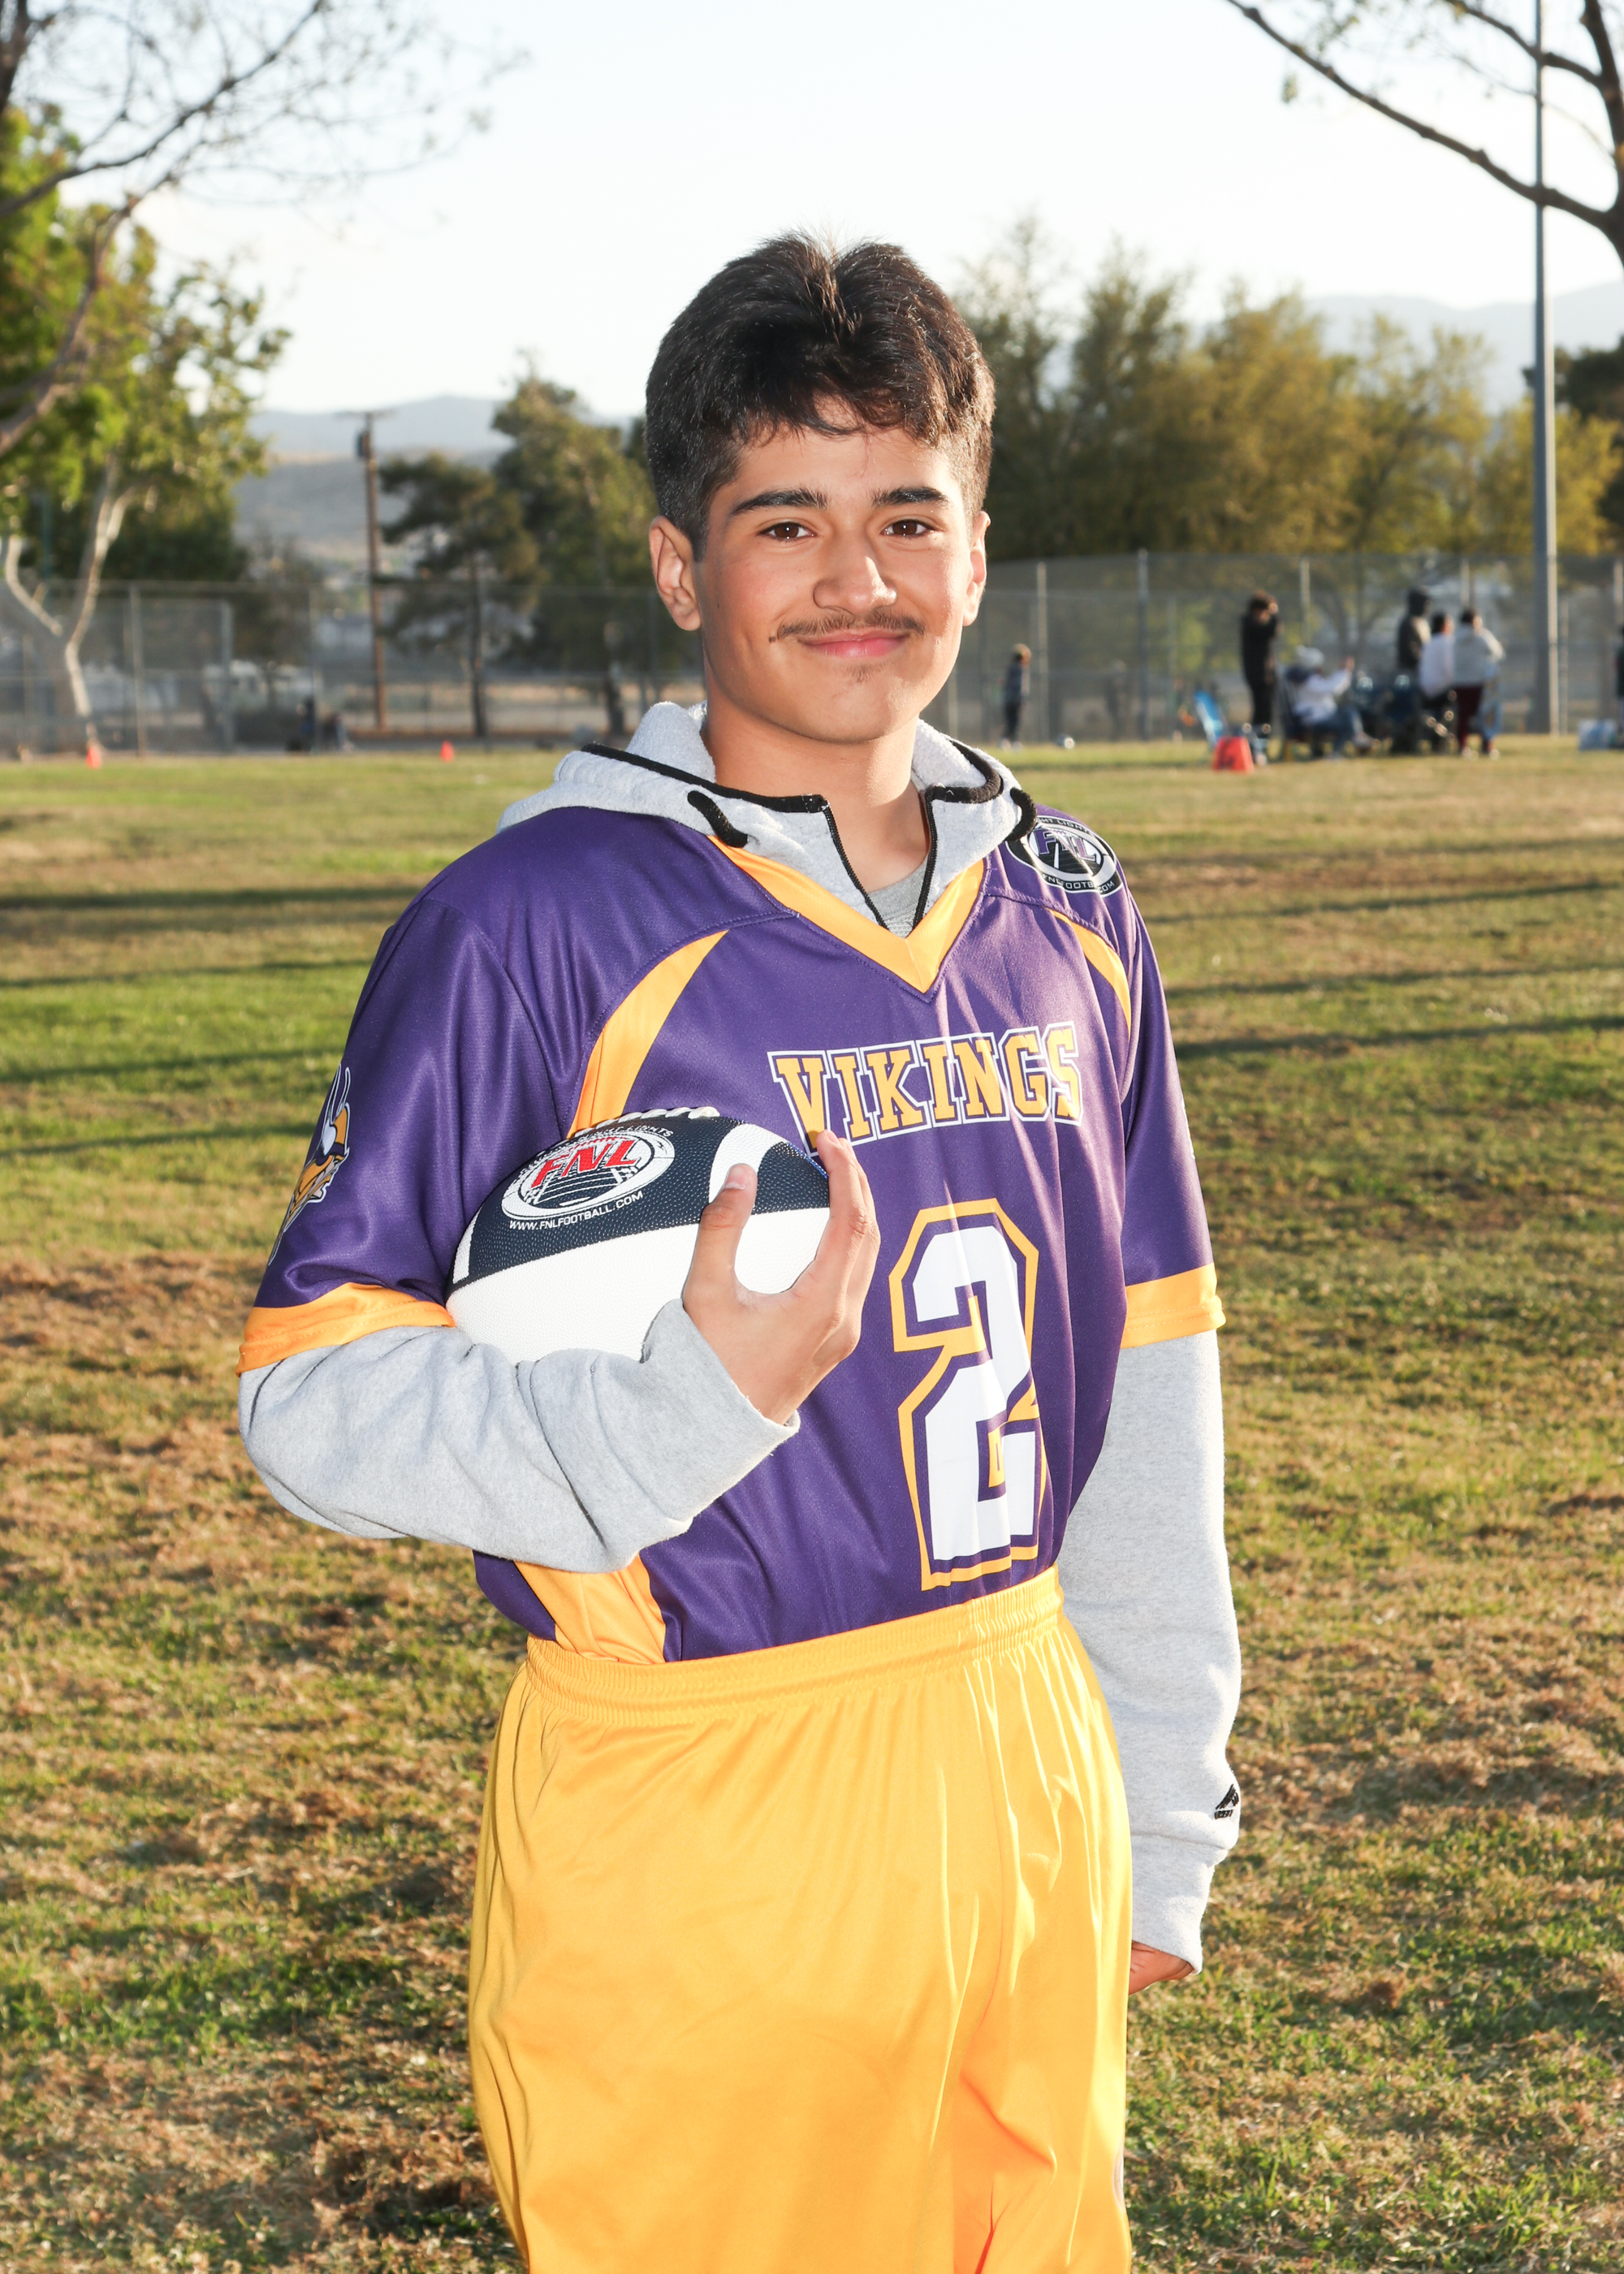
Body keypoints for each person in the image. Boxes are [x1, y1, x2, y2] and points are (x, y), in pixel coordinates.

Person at [236, 235, 1242, 2274]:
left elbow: (1148, 1375)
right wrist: (678, 1407)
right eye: (785, 521)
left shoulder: (1069, 905)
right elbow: (308, 1400)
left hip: (1023, 1754)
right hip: (704, 1801)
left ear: (978, 550)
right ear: (683, 568)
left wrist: (1157, 1802)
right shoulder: (534, 920)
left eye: (907, 517)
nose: (855, 578)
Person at [1293, 646, 1372, 753]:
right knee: (1346, 724)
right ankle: (1339, 751)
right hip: (1314, 720)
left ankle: (1357, 736)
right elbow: (1332, 688)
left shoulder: (1309, 679)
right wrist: (1345, 671)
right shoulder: (1309, 681)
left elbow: (1329, 685)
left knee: (1349, 710)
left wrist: (1342, 672)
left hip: (1318, 716)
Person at [1453, 606, 1504, 756]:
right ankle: (1487, 746)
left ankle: (1462, 746)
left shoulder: (1455, 638)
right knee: (1486, 714)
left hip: (1460, 683)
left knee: (1463, 715)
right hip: (1480, 682)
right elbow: (1498, 652)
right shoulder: (1482, 636)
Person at [1239, 589, 1281, 733]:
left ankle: (1262, 738)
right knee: (1261, 709)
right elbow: (1271, 631)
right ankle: (1259, 738)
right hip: (1258, 676)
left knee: (1266, 709)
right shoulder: (1250, 625)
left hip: (1265, 675)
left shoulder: (1252, 624)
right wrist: (1274, 614)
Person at [1001, 642, 1030, 743]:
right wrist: (1022, 698)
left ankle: (1005, 740)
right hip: (1016, 700)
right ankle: (1014, 741)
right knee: (1015, 722)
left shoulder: (1010, 668)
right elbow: (1020, 686)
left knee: (1009, 721)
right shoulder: (1021, 669)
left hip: (1008, 699)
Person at [1397, 586, 1431, 673]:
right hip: (1410, 671)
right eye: (1424, 604)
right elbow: (1410, 651)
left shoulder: (1422, 623)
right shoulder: (1408, 624)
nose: (1426, 608)